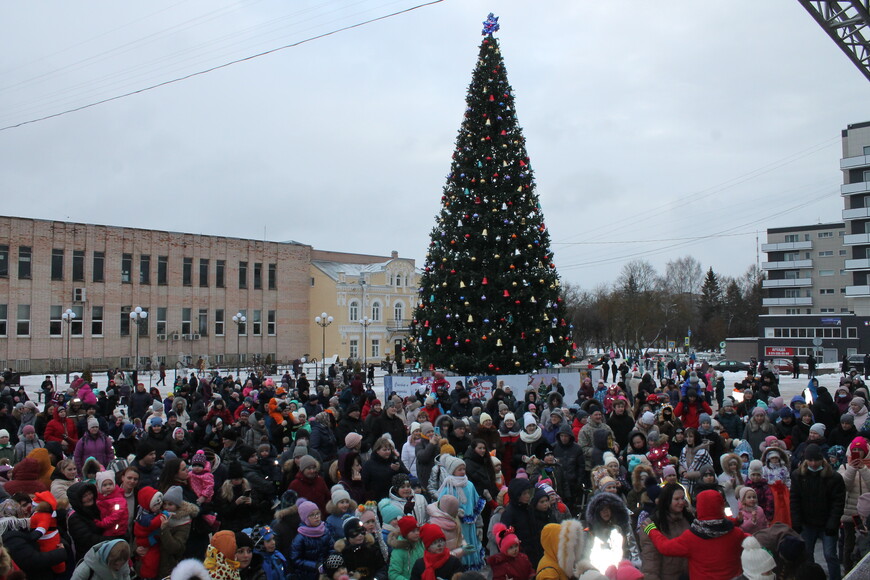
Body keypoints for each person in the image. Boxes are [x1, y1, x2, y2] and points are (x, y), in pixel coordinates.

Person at [640, 490, 746, 580]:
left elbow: (665, 547)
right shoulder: (737, 534)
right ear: (721, 506)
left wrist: (651, 530)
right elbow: (754, 542)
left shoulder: (691, 538)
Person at [789, 443, 846, 580]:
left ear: (822, 459)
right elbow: (794, 500)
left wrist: (833, 523)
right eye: (810, 460)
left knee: (830, 555)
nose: (813, 463)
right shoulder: (798, 476)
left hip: (827, 523)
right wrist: (796, 522)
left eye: (816, 460)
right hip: (807, 523)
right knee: (807, 555)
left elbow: (838, 503)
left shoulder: (834, 477)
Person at [638, 482, 692, 580]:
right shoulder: (651, 524)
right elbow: (650, 561)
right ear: (667, 500)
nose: (681, 502)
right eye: (676, 499)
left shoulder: (689, 518)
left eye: (682, 498)